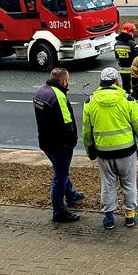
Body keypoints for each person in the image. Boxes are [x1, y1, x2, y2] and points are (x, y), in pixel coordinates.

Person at [82, 67, 138, 230]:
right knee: (129, 183)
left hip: (103, 152)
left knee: (108, 184)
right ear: (116, 81)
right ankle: (130, 216)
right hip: (126, 151)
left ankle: (109, 218)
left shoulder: (90, 102)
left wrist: (90, 150)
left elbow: (86, 130)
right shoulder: (128, 100)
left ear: (101, 81)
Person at [33, 67, 85, 223]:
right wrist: (71, 141)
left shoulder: (41, 92)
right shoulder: (59, 96)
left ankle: (71, 195)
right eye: (68, 80)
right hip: (59, 144)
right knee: (60, 176)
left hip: (46, 140)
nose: (68, 83)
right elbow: (67, 122)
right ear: (63, 81)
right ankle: (59, 211)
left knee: (61, 169)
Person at [114, 23, 138, 93]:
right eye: (133, 31)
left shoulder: (117, 44)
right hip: (133, 70)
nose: (134, 33)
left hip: (123, 70)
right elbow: (136, 58)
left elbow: (117, 58)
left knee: (126, 88)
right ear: (130, 32)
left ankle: (127, 101)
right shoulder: (131, 43)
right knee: (135, 87)